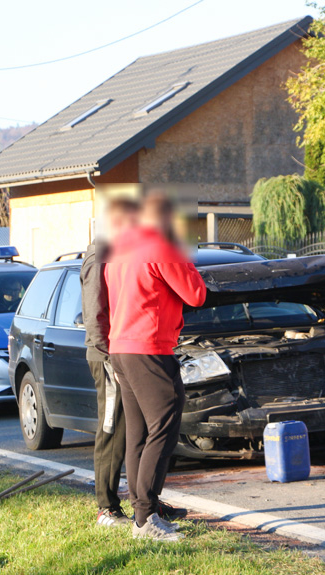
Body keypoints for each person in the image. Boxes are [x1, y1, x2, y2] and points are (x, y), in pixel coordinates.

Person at [105, 193, 206, 542]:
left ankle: (140, 511)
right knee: (164, 424)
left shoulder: (120, 251)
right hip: (148, 347)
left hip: (121, 347)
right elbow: (196, 294)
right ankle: (146, 518)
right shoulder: (161, 248)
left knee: (138, 433)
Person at [80, 197, 139, 528]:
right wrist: (109, 358)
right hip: (106, 356)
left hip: (118, 352)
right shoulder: (99, 255)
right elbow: (95, 313)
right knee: (111, 429)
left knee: (125, 428)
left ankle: (137, 501)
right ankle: (106, 508)